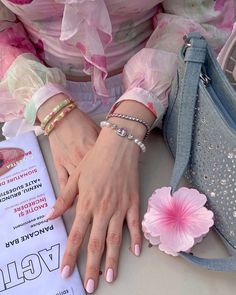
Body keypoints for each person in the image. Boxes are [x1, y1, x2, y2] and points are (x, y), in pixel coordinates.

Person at [0, 0, 234, 293]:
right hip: (30, 98)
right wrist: (52, 109)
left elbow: (200, 18)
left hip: (164, 93)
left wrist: (125, 129)